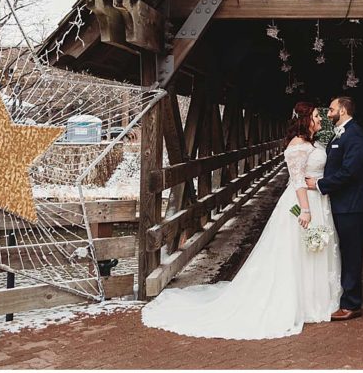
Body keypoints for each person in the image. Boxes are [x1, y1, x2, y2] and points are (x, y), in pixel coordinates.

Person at [140, 102, 341, 339]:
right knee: (297, 252)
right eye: (317, 116)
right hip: (303, 203)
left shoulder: (311, 143)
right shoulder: (297, 146)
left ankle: (314, 300)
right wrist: (305, 210)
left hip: (319, 199)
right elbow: (297, 181)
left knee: (313, 251)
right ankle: (300, 302)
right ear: (305, 119)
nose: (320, 119)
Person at [306, 95, 363, 321]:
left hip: (351, 206)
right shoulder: (342, 133)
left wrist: (321, 184)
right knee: (345, 252)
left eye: (331, 108)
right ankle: (346, 299)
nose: (328, 112)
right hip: (341, 204)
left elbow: (350, 172)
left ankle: (352, 305)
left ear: (342, 110)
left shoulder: (355, 135)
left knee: (352, 254)